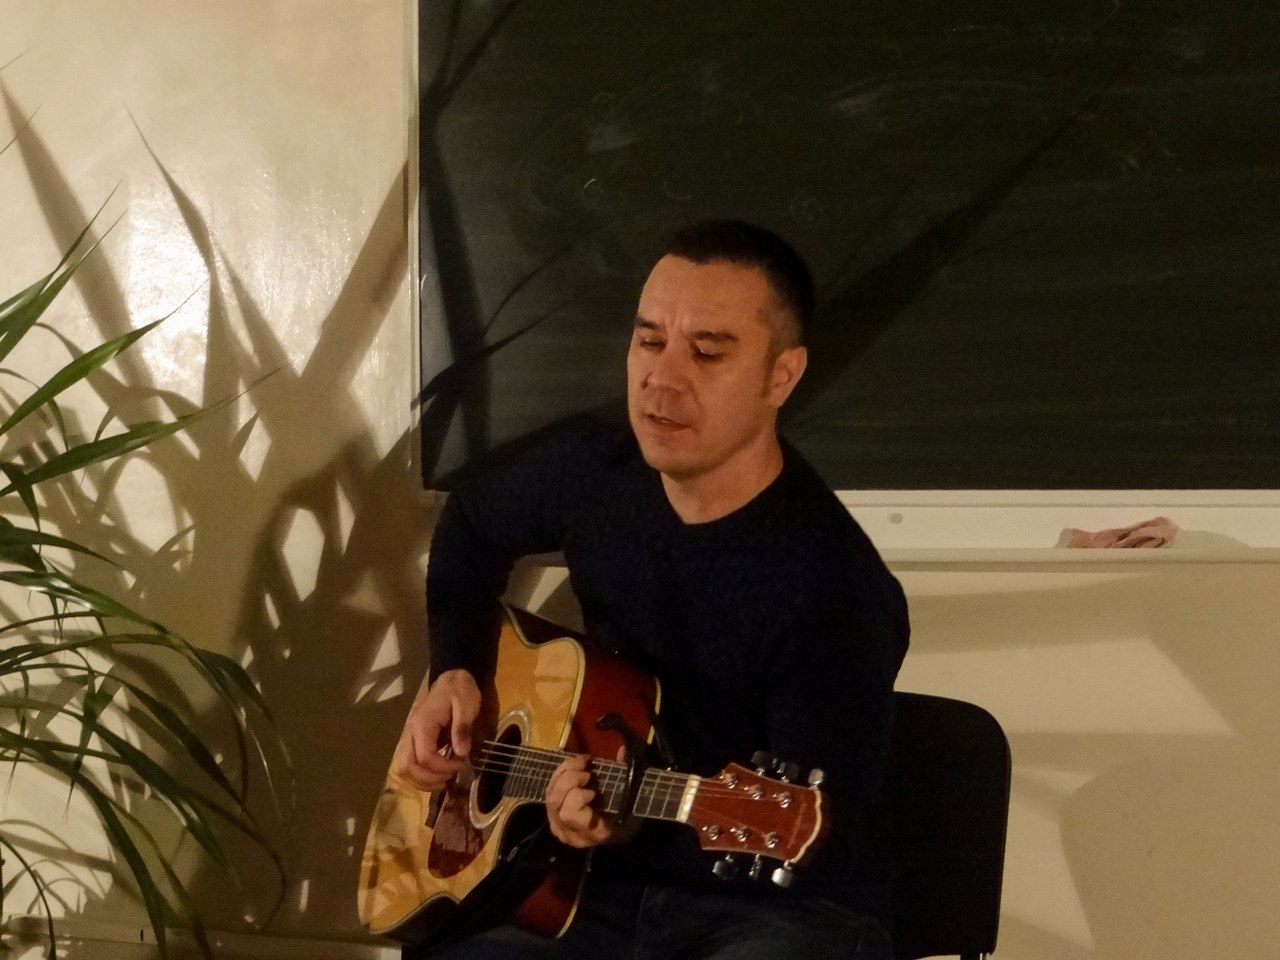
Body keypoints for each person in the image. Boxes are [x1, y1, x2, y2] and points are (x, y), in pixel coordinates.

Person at [394, 219, 910, 959]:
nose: (661, 380)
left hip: (776, 908)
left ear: (782, 376)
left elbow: (821, 839)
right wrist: (455, 671)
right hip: (599, 885)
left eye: (707, 352)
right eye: (648, 341)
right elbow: (471, 524)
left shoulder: (834, 591)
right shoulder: (598, 469)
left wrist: (625, 826)